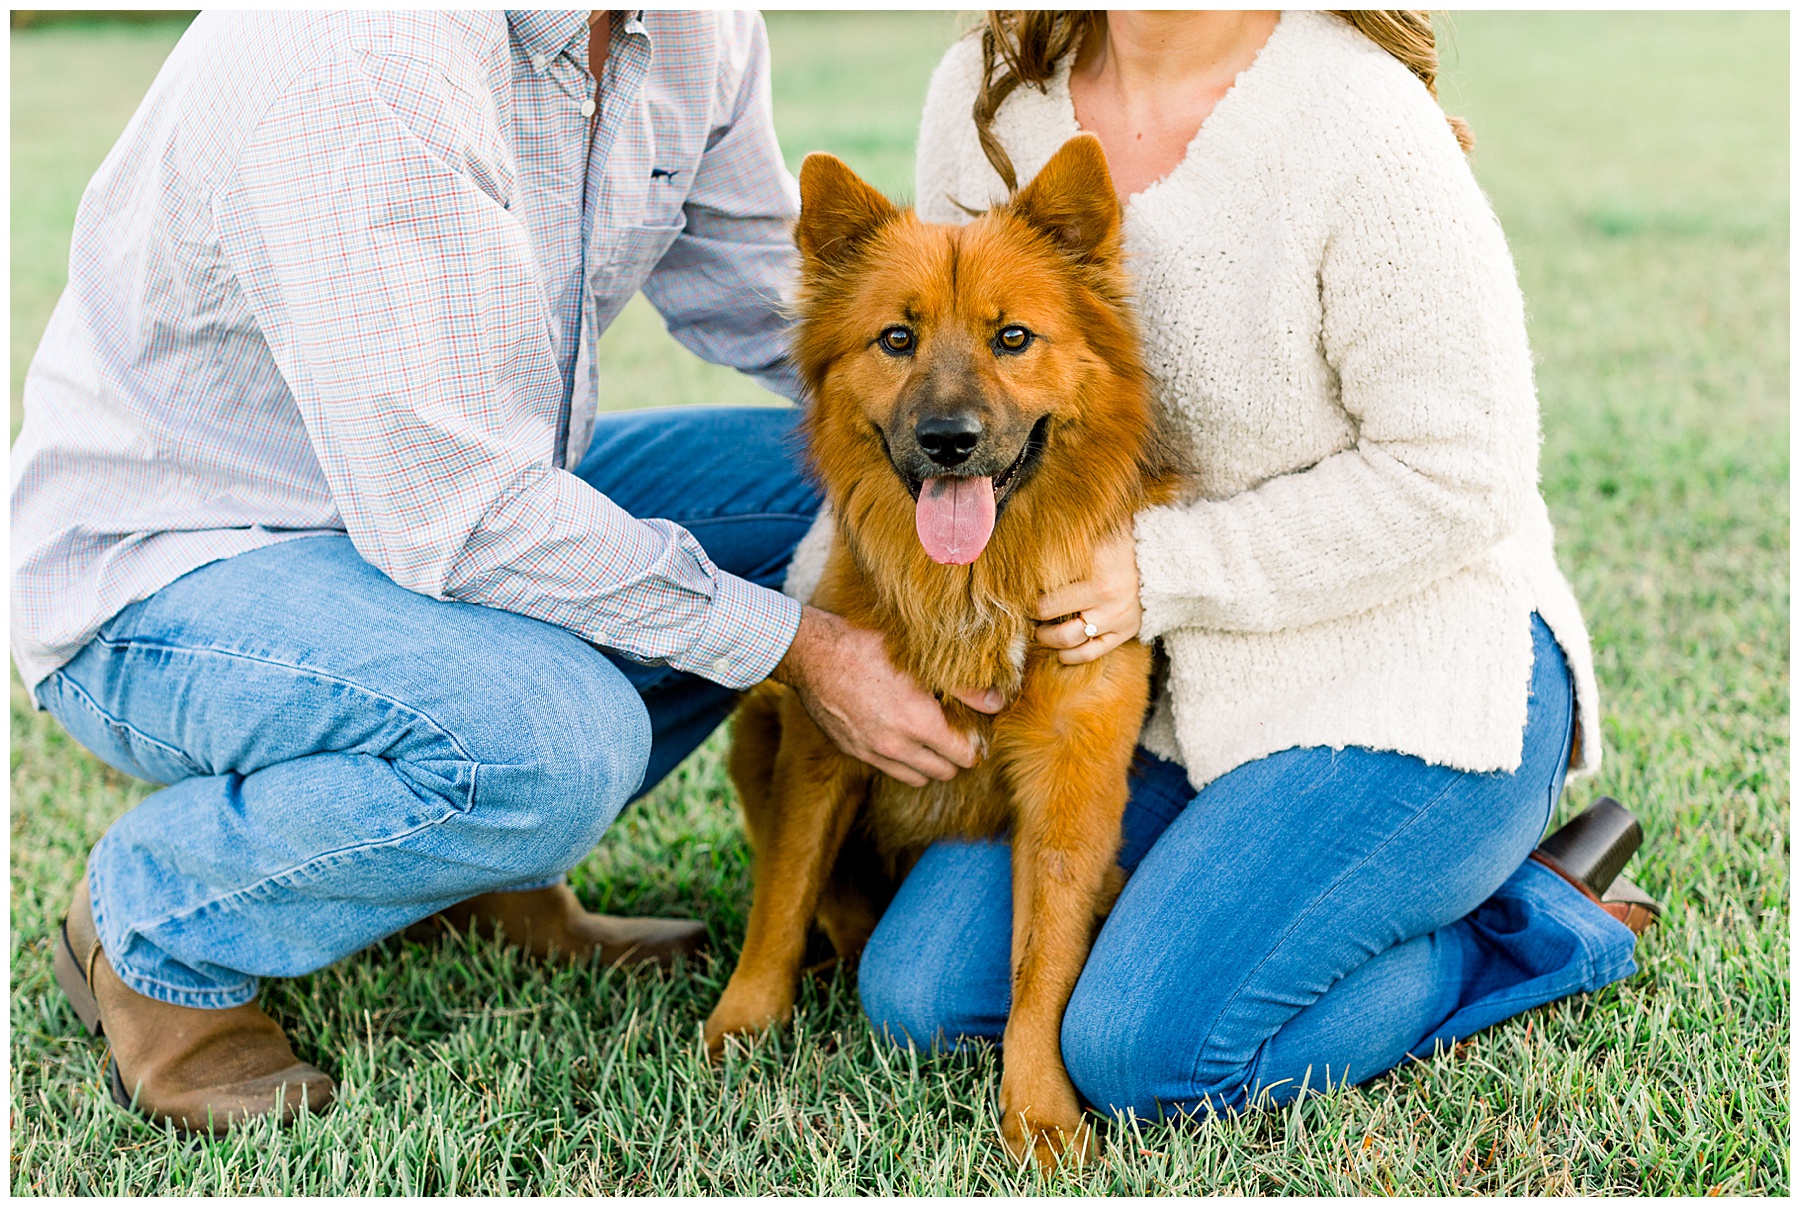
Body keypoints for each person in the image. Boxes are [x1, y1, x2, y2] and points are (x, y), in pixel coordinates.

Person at [13, 9, 999, 1134]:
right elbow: (456, 513)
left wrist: (1010, 458)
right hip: (183, 569)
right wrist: (798, 644)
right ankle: (155, 920)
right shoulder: (364, 53)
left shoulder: (691, 26)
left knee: (824, 494)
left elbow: (789, 319)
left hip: (439, 507)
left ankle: (453, 874)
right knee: (557, 739)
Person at [845, 9, 1663, 1121]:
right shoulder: (992, 92)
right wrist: (872, 618)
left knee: (1144, 1053)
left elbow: (1465, 471)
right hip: (1169, 699)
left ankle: (1522, 919)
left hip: (1415, 675)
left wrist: (1161, 566)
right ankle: (1239, 898)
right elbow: (922, 413)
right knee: (922, 993)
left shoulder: (1359, 120)